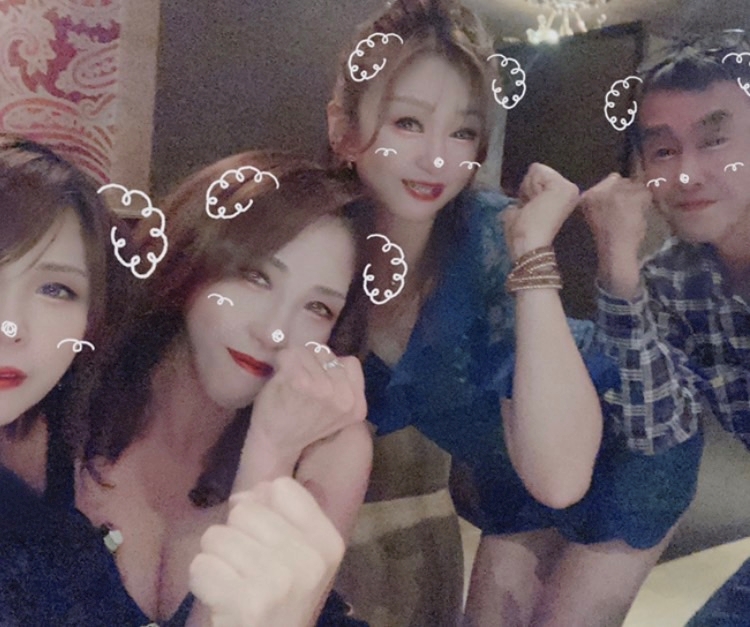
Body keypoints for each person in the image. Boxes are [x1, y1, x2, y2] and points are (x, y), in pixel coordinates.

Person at [325, 1, 628, 624]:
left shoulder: (489, 241)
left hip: (616, 460)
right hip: (513, 483)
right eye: (408, 122)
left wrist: (533, 248)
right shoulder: (317, 244)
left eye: (462, 132)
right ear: (343, 129)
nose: (438, 160)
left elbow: (562, 477)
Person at [0, 140, 373, 626]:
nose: (275, 332)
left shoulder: (329, 450)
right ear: (194, 257)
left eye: (318, 308)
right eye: (255, 278)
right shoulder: (45, 390)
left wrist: (270, 454)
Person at [583, 28, 750, 623]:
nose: (686, 175)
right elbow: (656, 431)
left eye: (714, 140)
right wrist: (618, 268)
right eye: (663, 151)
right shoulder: (672, 280)